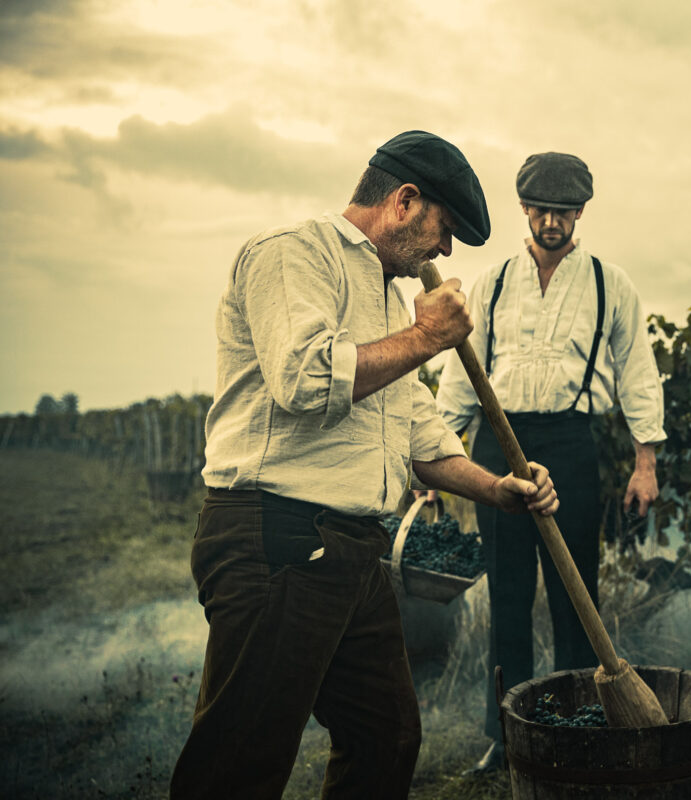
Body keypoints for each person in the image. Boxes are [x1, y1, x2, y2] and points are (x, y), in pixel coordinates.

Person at [170, 130, 560, 800]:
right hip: (278, 539)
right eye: (445, 230)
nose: (445, 251)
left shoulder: (386, 295)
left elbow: (421, 437)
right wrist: (429, 336)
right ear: (404, 202)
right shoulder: (294, 255)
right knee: (242, 758)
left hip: (354, 551)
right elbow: (306, 381)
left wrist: (500, 488)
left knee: (387, 738)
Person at [436, 152, 666, 773]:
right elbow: (464, 374)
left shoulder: (607, 283)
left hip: (571, 443)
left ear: (580, 213)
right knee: (506, 597)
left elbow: (638, 375)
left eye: (564, 212)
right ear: (525, 210)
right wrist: (437, 461)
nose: (552, 222)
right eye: (541, 210)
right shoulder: (493, 282)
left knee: (575, 595)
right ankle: (506, 739)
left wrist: (645, 463)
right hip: (498, 444)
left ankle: (574, 732)